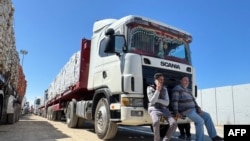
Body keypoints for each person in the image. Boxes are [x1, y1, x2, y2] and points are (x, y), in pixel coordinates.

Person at [171, 76, 224, 141]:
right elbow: (175, 101)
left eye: (188, 81)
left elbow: (194, 101)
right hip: (186, 111)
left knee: (207, 116)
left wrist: (198, 108)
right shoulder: (177, 89)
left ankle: (214, 136)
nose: (187, 82)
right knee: (200, 121)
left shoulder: (188, 90)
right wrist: (176, 112)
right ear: (181, 81)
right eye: (185, 80)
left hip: (194, 110)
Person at [147, 73, 177, 141]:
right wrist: (157, 90)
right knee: (156, 122)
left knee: (174, 123)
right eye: (160, 79)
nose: (162, 81)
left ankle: (165, 140)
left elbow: (167, 103)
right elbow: (152, 101)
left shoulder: (165, 89)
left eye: (163, 80)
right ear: (155, 80)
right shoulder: (149, 88)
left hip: (163, 108)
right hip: (153, 108)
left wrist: (157, 100)